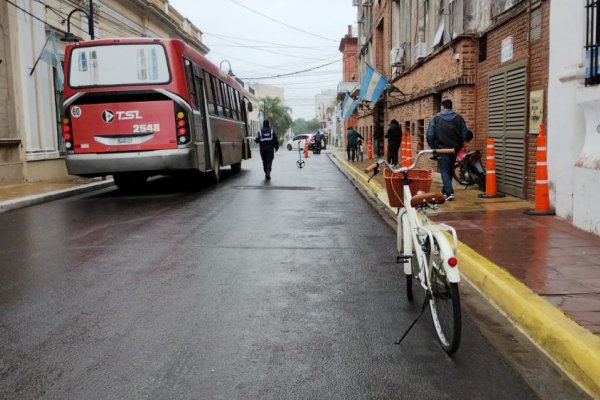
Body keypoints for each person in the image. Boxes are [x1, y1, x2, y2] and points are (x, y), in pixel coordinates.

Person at [426, 99, 469, 201]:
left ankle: (449, 193)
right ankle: (445, 190)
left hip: (441, 149)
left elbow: (430, 135)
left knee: (444, 170)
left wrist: (434, 148)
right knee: (449, 169)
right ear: (451, 106)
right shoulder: (459, 118)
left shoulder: (435, 118)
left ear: (442, 106)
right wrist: (459, 145)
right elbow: (464, 133)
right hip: (454, 149)